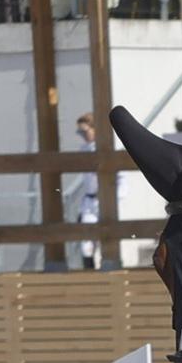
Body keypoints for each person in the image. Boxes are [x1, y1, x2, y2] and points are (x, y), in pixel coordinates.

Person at [71, 112, 101, 269]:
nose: (82, 136)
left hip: (105, 200)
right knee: (86, 243)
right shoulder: (84, 149)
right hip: (89, 200)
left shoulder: (105, 148)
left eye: (85, 131)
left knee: (106, 239)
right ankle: (90, 274)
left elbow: (120, 180)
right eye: (80, 132)